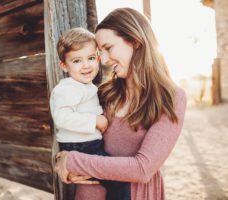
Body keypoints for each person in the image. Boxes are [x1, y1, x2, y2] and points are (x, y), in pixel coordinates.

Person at [54, 8, 187, 200]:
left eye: (108, 48)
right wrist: (60, 160)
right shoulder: (104, 92)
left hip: (136, 194)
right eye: (101, 53)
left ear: (135, 40)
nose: (105, 60)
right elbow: (75, 135)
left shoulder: (171, 98)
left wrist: (73, 161)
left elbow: (142, 168)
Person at [50, 27, 131, 200]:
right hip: (80, 147)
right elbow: (62, 118)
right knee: (119, 181)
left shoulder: (87, 87)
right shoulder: (67, 88)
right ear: (64, 66)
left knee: (114, 180)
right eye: (77, 61)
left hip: (87, 146)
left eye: (91, 58)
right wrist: (95, 121)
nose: (86, 65)